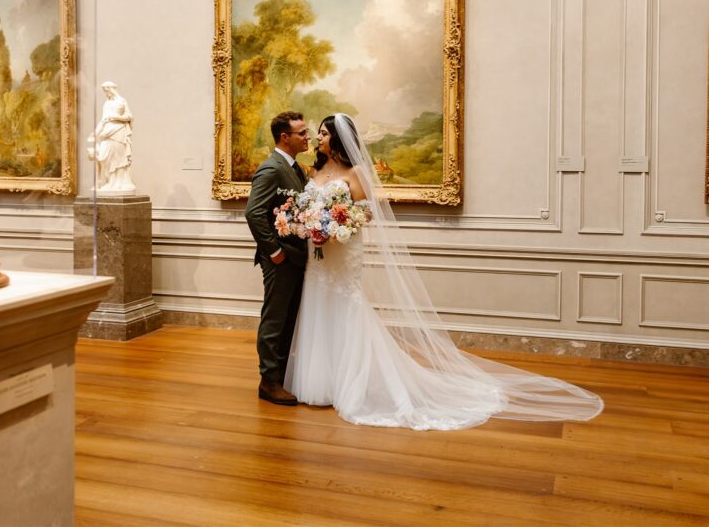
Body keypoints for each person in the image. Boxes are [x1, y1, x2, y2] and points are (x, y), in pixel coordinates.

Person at [284, 113, 603, 430]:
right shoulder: (316, 169)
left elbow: (368, 212)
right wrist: (309, 223)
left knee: (346, 306)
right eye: (319, 134)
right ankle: (321, 384)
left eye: (324, 133)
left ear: (339, 139)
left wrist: (340, 222)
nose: (319, 138)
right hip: (319, 252)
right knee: (319, 306)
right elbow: (308, 206)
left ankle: (355, 384)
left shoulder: (357, 172)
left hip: (344, 249)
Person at [244, 111, 310, 405]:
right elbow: (254, 213)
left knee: (288, 320)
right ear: (285, 137)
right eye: (302, 133)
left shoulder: (297, 170)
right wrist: (275, 251)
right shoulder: (270, 169)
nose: (308, 137)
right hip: (280, 260)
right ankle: (268, 381)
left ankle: (280, 376)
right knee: (274, 319)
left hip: (297, 257)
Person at [88, 81, 136, 194]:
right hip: (107, 132)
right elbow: (103, 120)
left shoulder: (122, 101)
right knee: (105, 158)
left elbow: (129, 117)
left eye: (106, 91)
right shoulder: (106, 104)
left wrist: (115, 117)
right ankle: (110, 182)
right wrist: (95, 132)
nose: (105, 93)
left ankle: (119, 183)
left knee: (118, 159)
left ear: (110, 89)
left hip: (118, 132)